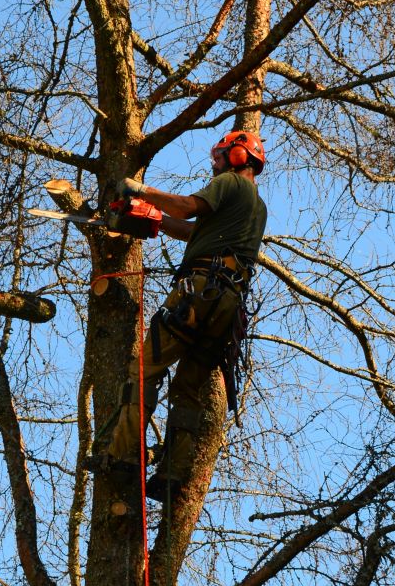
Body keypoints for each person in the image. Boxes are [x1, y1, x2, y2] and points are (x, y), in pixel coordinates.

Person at [87, 130, 268, 502]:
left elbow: (186, 208)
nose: (214, 163)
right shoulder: (255, 206)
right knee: (186, 391)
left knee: (145, 367)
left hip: (200, 291)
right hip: (226, 308)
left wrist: (140, 189)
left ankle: (122, 456)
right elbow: (191, 229)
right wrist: (153, 221)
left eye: (220, 155)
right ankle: (171, 477)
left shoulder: (231, 183)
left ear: (239, 157)